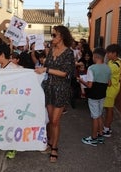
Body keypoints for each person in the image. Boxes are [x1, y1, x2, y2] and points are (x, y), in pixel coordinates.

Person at [35, 25, 75, 163]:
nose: (52, 38)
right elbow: (48, 65)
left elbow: (64, 73)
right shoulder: (51, 50)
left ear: (62, 37)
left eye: (54, 35)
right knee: (50, 119)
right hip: (49, 88)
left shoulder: (69, 53)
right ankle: (51, 141)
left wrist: (46, 69)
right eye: (52, 35)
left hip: (61, 90)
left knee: (55, 121)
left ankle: (54, 148)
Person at [0, 43, 21, 159]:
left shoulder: (14, 69)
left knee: (12, 124)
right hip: (0, 101)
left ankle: (13, 147)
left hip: (11, 102)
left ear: (2, 55)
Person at [79, 48, 111, 146]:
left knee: (95, 117)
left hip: (93, 96)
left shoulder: (91, 68)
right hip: (102, 95)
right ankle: (100, 135)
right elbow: (109, 83)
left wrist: (81, 81)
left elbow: (89, 85)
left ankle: (93, 138)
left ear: (95, 56)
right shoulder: (107, 68)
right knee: (99, 115)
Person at [103, 44, 121, 137]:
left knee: (109, 109)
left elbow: (106, 74)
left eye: (109, 53)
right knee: (108, 108)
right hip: (110, 88)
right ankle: (107, 127)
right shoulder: (111, 62)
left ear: (114, 53)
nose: (107, 54)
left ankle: (106, 129)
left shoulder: (115, 65)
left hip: (111, 89)